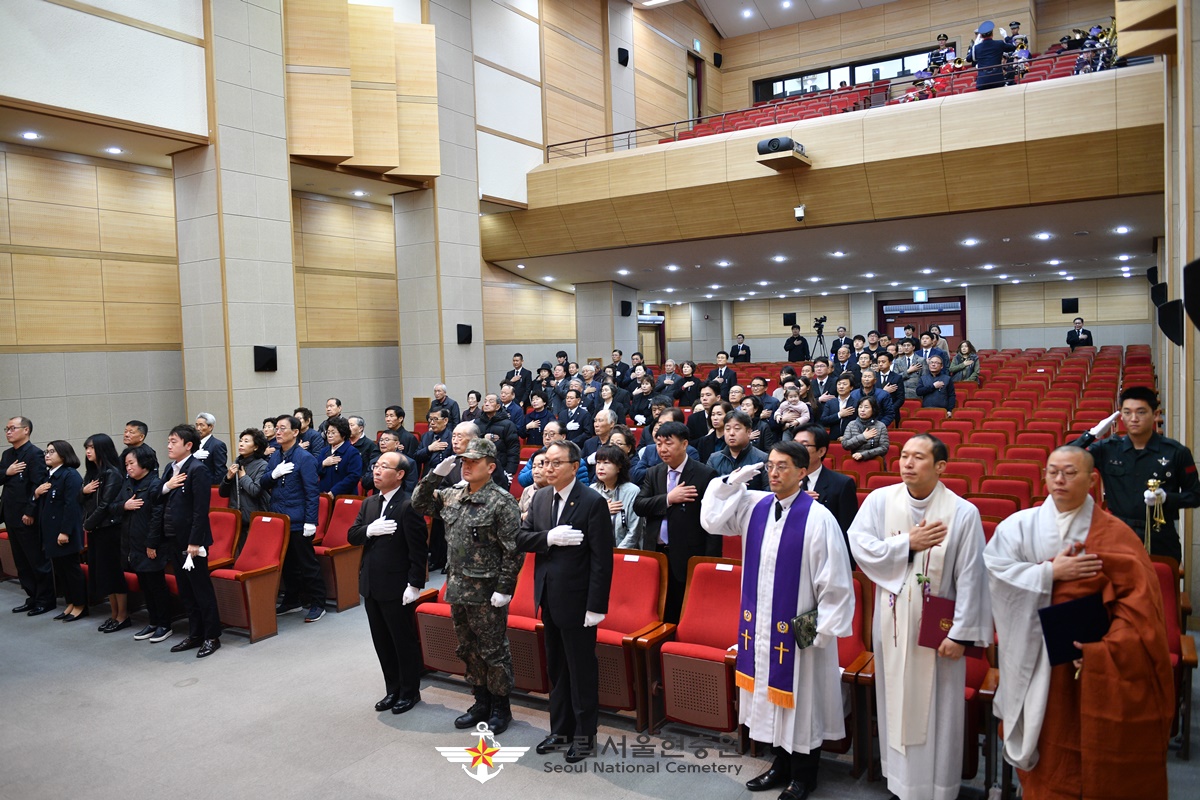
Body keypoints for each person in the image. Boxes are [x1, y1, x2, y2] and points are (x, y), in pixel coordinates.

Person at [984, 446, 1174, 799]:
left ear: (1092, 479)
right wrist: (1050, 573)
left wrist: (1105, 650)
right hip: (1036, 653)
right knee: (1048, 747)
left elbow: (1139, 610)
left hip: (1092, 661)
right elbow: (995, 573)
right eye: (1053, 471)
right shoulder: (1020, 527)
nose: (1059, 479)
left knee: (1088, 745)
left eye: (1070, 472)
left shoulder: (1116, 536)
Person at [701, 443, 856, 800]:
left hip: (800, 633)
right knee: (771, 701)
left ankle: (804, 776)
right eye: (769, 465)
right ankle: (780, 766)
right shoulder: (755, 506)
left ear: (803, 472)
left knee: (802, 703)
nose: (773, 472)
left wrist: (817, 634)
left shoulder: (818, 518)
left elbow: (834, 581)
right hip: (761, 626)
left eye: (783, 466)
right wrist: (728, 483)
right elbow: (711, 520)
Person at [848, 434, 991, 800]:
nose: (907, 463)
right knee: (894, 700)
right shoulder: (881, 500)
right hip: (893, 627)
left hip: (939, 634)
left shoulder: (961, 512)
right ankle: (901, 784)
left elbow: (973, 577)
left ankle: (937, 788)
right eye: (904, 456)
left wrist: (961, 634)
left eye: (919, 457)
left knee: (937, 711)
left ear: (941, 466)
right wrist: (905, 545)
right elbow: (859, 543)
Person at [413, 437, 524, 734]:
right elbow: (419, 503)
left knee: (493, 650)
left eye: (474, 462)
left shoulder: (502, 501)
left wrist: (505, 588)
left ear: (490, 467)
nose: (466, 466)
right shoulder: (453, 495)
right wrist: (434, 475)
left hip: (488, 592)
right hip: (458, 587)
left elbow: (513, 551)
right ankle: (480, 702)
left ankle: (501, 706)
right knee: (468, 648)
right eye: (464, 461)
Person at [518, 440, 613, 762]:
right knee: (556, 668)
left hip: (579, 601)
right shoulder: (541, 496)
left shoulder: (591, 502)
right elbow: (521, 537)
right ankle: (560, 730)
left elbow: (603, 559)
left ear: (574, 467)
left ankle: (585, 736)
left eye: (556, 463)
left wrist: (597, 606)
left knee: (581, 670)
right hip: (547, 597)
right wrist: (547, 538)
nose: (548, 468)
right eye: (545, 463)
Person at [1069, 386, 1200, 561]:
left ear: (1155, 414)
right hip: (1118, 532)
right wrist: (1091, 435)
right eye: (1127, 412)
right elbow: (1063, 459)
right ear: (1121, 415)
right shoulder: (1108, 449)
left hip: (1159, 535)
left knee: (1161, 584)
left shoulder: (1176, 452)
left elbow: (1195, 496)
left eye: (1141, 412)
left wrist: (1167, 499)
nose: (1134, 419)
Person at [347, 452, 429, 716]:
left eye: (384, 467)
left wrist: (414, 585)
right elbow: (353, 535)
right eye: (376, 466)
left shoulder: (409, 504)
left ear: (400, 474)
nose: (377, 471)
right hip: (371, 584)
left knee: (401, 641)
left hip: (397, 586)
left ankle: (409, 692)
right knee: (381, 641)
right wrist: (369, 530)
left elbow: (418, 551)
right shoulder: (369, 503)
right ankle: (392, 689)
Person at [632, 420, 719, 623]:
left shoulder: (705, 474)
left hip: (689, 555)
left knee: (684, 612)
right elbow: (639, 505)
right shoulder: (654, 473)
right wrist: (669, 498)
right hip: (657, 553)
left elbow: (713, 523)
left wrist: (708, 562)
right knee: (657, 610)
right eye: (659, 443)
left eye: (668, 443)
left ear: (684, 443)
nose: (662, 449)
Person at [151, 425, 222, 657]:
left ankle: (212, 636)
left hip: (192, 543)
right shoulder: (171, 469)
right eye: (168, 441)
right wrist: (166, 486)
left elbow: (201, 511)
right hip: (173, 539)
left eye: (173, 441)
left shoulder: (197, 469)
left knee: (201, 590)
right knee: (186, 591)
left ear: (188, 445)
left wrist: (195, 542)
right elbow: (155, 497)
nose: (169, 445)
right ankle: (195, 634)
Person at [261, 415, 326, 623]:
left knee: (306, 563)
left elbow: (312, 492)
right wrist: (274, 474)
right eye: (276, 429)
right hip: (279, 518)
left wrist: (310, 521)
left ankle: (318, 602)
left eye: (282, 428)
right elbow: (263, 483)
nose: (277, 432)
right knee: (286, 563)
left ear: (295, 432)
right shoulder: (275, 456)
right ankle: (292, 600)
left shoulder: (305, 458)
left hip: (298, 519)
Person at [119, 444, 172, 643]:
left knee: (157, 586)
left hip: (150, 545)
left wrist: (152, 543)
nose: (128, 468)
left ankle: (165, 624)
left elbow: (157, 517)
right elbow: (114, 506)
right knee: (146, 586)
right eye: (126, 464)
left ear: (144, 463)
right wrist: (124, 505)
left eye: (131, 463)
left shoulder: (154, 484)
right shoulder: (128, 484)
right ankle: (153, 621)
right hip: (133, 543)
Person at [1, 417, 53, 615]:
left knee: (36, 559)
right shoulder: (7, 455)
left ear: (26, 430)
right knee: (21, 561)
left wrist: (30, 511)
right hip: (10, 515)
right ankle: (32, 596)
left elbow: (38, 485)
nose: (8, 432)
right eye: (6, 428)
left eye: (12, 428)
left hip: (26, 515)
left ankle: (45, 599)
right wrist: (8, 470)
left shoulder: (34, 454)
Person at [81, 433, 128, 632]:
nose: (88, 451)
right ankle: (114, 615)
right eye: (86, 448)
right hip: (96, 530)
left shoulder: (113, 473)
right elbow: (82, 501)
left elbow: (105, 505)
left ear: (102, 448)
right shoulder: (93, 473)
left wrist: (88, 524)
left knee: (114, 573)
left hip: (110, 530)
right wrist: (83, 492)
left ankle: (123, 616)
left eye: (91, 447)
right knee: (104, 574)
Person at [36, 440, 86, 621]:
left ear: (63, 456)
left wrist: (65, 531)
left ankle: (80, 605)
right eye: (46, 451)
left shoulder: (70, 475)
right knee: (61, 571)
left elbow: (71, 507)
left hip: (65, 532)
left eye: (51, 452)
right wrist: (36, 493)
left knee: (71, 569)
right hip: (51, 532)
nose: (47, 455)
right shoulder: (49, 475)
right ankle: (70, 603)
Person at [794, 425, 859, 538]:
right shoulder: (784, 481)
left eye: (804, 445)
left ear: (821, 451)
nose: (795, 450)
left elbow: (846, 531)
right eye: (794, 444)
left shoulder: (842, 484)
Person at [218, 428, 272, 534]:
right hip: (236, 516)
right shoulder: (237, 463)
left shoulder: (262, 465)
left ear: (256, 447)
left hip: (254, 517)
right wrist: (228, 478)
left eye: (246, 441)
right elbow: (222, 493)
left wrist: (243, 477)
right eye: (241, 441)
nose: (241, 444)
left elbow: (256, 491)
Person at [590, 443, 642, 549]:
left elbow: (634, 531)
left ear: (619, 467)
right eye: (598, 463)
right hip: (597, 552)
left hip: (625, 553)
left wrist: (617, 554)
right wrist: (602, 511)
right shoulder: (592, 490)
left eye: (606, 463)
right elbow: (586, 525)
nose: (600, 467)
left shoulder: (632, 491)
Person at [708, 410, 768, 492]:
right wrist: (728, 482)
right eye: (728, 429)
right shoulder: (714, 459)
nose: (731, 433)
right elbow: (708, 490)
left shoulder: (763, 459)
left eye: (737, 428)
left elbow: (769, 493)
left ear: (749, 432)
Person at [474, 393, 521, 487]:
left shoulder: (508, 424)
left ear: (498, 406)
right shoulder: (477, 423)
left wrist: (509, 472)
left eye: (490, 401)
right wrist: (483, 438)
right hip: (480, 469)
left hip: (500, 469)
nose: (486, 404)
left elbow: (513, 449)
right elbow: (472, 443)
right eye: (485, 401)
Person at [317, 416, 365, 495]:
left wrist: (334, 492)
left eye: (333, 432)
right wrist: (323, 464)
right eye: (328, 432)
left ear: (343, 434)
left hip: (344, 496)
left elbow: (353, 477)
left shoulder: (352, 452)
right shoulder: (324, 451)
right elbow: (314, 471)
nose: (329, 435)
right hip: (324, 496)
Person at [966, 20, 1016, 90]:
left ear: (981, 36)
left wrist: (975, 44)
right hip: (997, 79)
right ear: (992, 34)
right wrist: (1006, 37)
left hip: (983, 81)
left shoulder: (977, 48)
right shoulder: (999, 44)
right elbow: (1013, 47)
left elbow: (968, 59)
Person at [842, 397, 890, 462]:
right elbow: (845, 444)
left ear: (873, 409)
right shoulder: (851, 424)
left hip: (875, 462)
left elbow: (884, 448)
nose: (862, 410)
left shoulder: (881, 426)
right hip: (855, 460)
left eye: (866, 407)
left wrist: (863, 455)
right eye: (860, 407)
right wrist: (863, 437)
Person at [821, 374, 858, 440]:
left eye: (844, 384)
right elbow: (823, 420)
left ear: (851, 387)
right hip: (833, 439)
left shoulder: (856, 403)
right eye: (839, 384)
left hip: (852, 439)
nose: (841, 386)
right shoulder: (830, 402)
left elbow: (859, 423)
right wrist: (839, 415)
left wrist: (847, 436)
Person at [194, 412, 228, 478]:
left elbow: (220, 472)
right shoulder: (194, 444)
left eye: (201, 425)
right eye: (197, 425)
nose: (198, 428)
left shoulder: (217, 445)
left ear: (210, 427)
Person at [520, 449, 549, 520]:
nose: (535, 471)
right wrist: (523, 516)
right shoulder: (527, 490)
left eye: (540, 467)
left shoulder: (557, 490)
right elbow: (517, 514)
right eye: (533, 467)